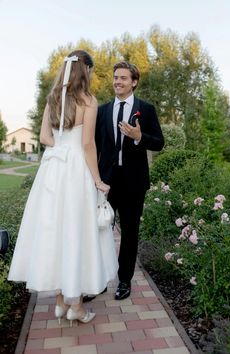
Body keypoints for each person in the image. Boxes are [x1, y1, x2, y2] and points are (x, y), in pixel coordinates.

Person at [8, 50, 118, 325]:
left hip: (52, 171)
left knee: (55, 231)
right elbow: (88, 145)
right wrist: (97, 180)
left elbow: (45, 137)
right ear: (87, 70)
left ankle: (60, 301)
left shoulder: (53, 99)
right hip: (76, 173)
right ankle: (76, 307)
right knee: (76, 232)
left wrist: (61, 150)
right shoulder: (88, 100)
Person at [95, 61, 164, 300]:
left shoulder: (146, 109)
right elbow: (93, 147)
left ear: (133, 82)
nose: (118, 82)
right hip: (106, 182)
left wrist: (139, 136)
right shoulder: (102, 111)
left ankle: (124, 281)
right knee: (98, 229)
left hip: (134, 182)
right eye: (116, 77)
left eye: (123, 78)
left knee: (130, 232)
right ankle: (98, 280)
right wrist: (94, 177)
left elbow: (159, 142)